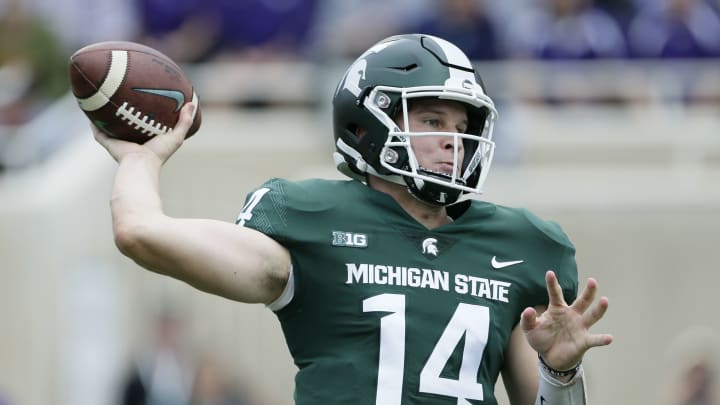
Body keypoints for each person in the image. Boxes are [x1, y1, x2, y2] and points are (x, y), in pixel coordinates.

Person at [93, 34, 613, 404]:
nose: (453, 140)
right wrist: (141, 161)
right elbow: (141, 233)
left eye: (462, 125)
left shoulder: (520, 245)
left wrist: (561, 372)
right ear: (368, 124)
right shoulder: (311, 220)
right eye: (432, 120)